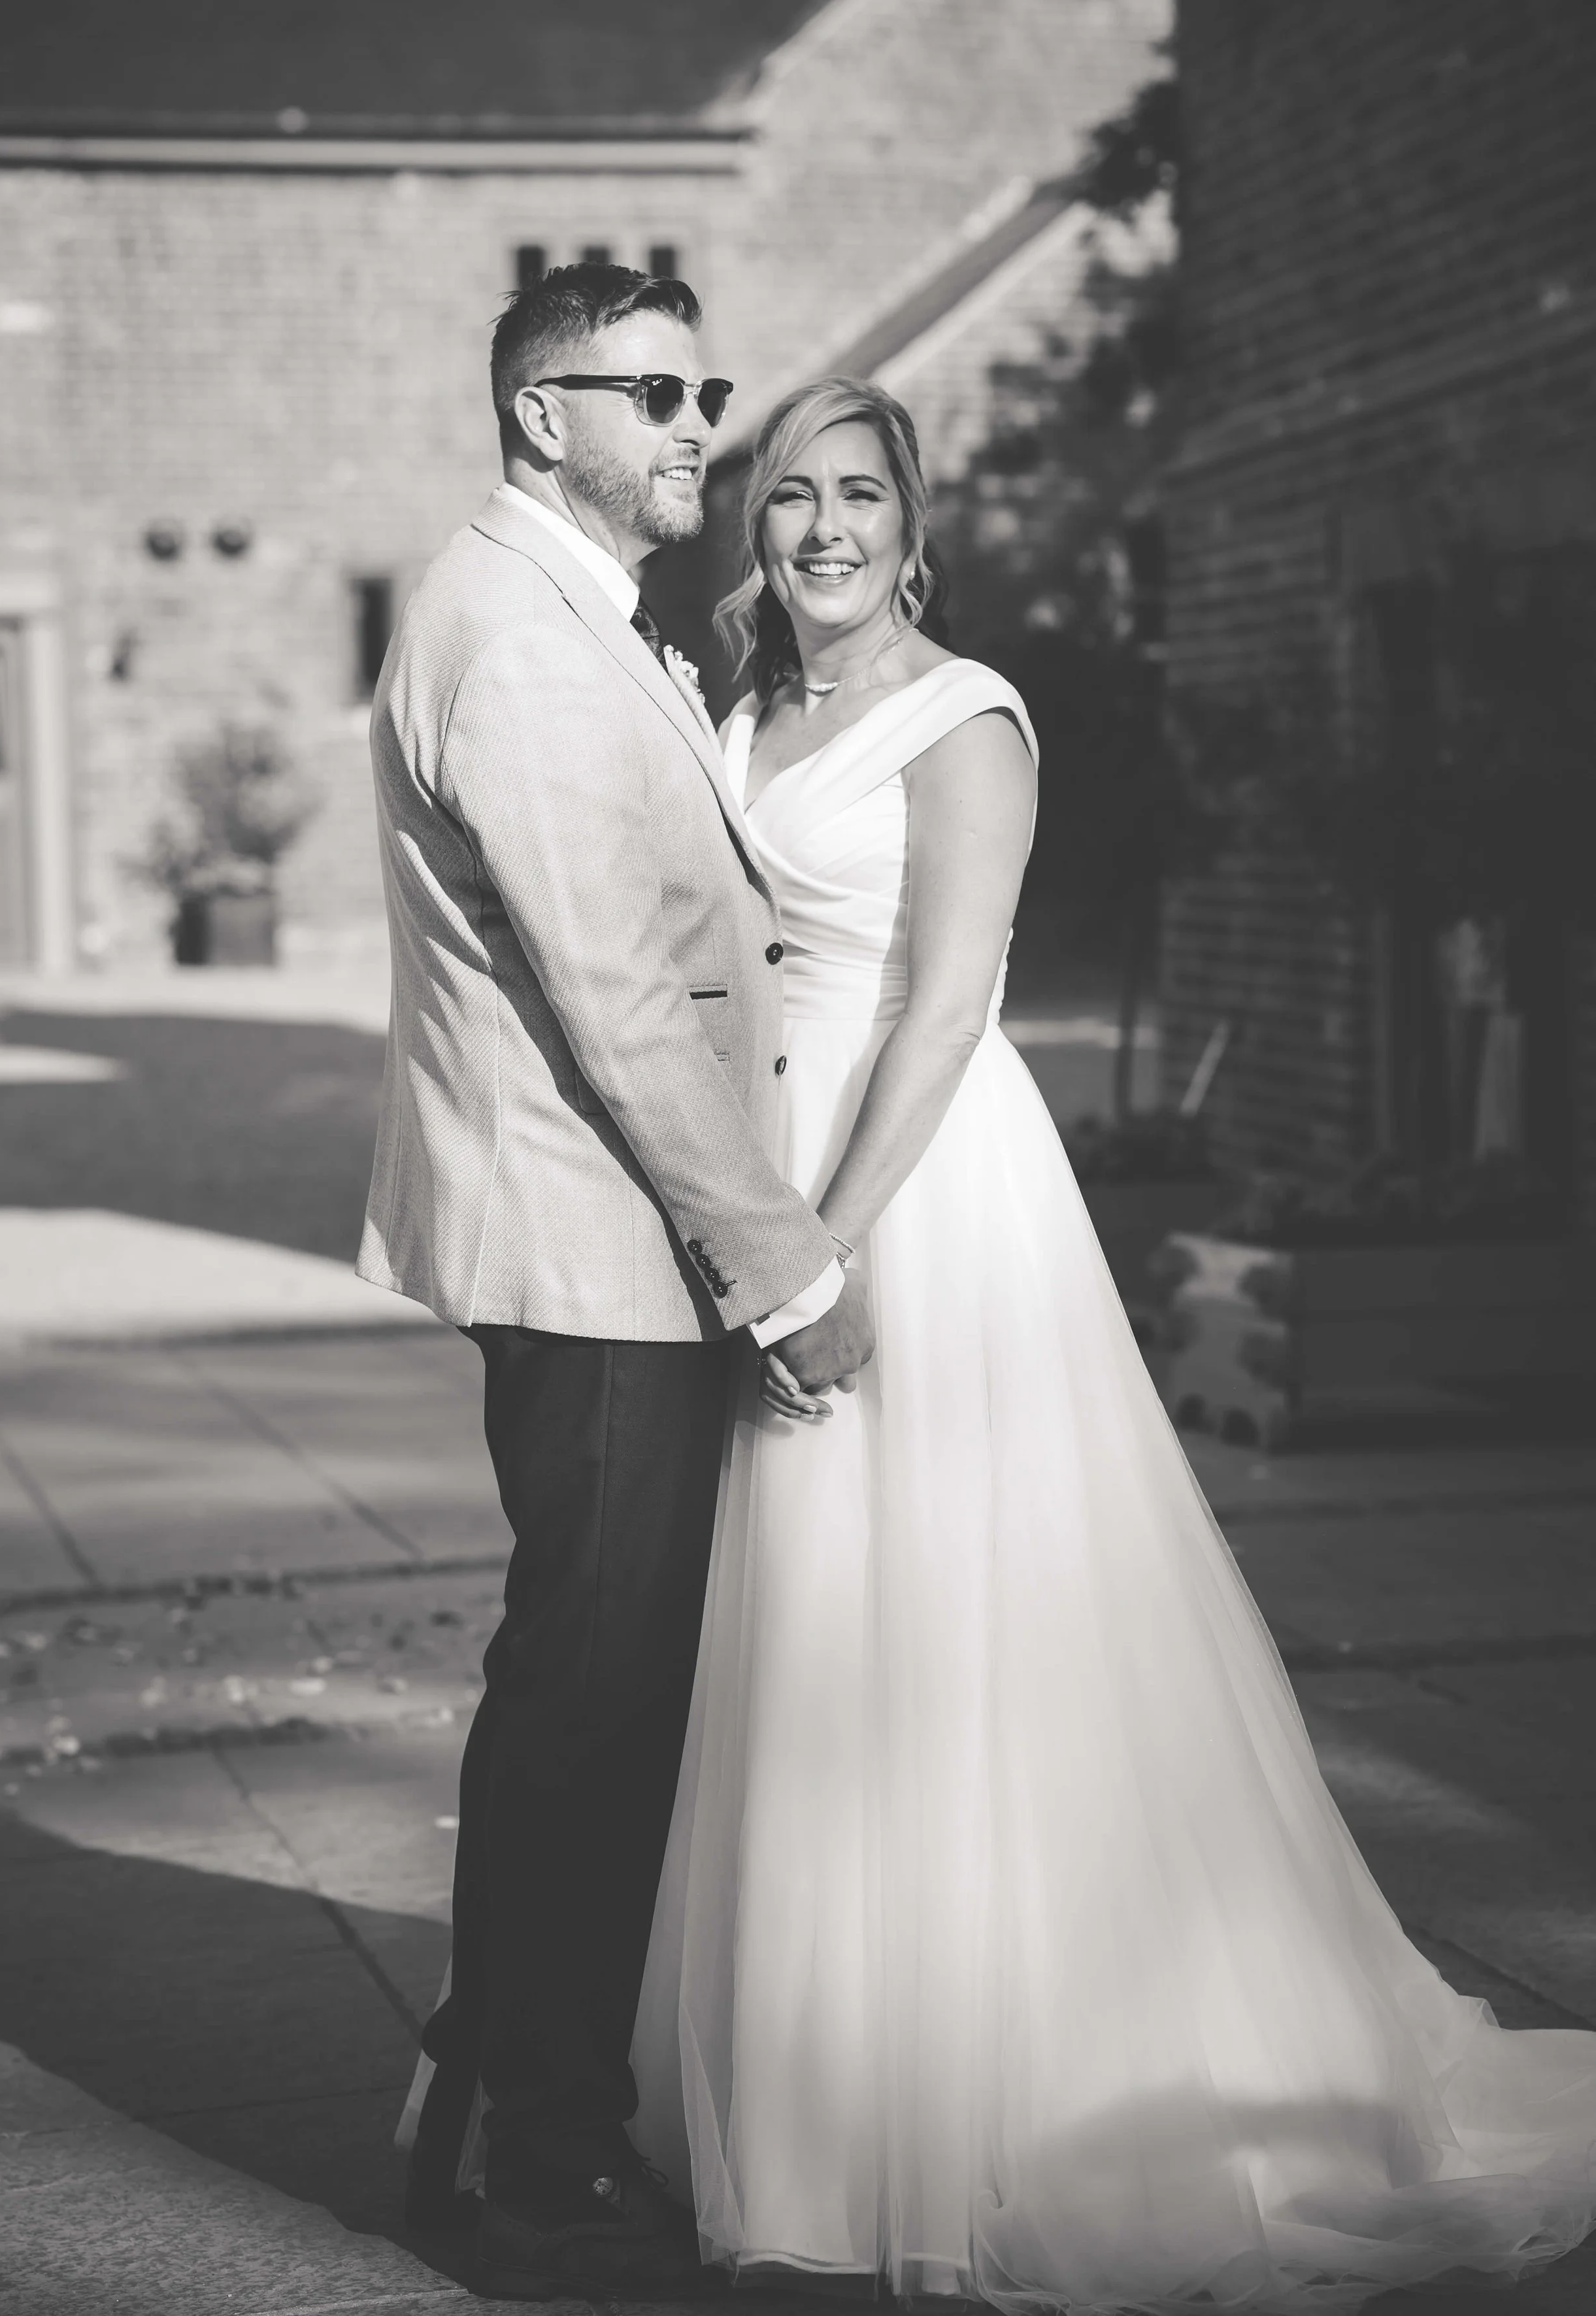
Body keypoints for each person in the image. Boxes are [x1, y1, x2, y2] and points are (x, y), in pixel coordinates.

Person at [625, 376, 1596, 2311]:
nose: (821, 528)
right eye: (791, 496)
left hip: (908, 1183)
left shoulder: (963, 717)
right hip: (759, 1175)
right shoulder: (741, 702)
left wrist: (824, 1238)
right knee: (804, 1633)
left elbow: (941, 1007)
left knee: (955, 1613)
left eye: (859, 497)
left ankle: (1027, 2086)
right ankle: (825, 2080)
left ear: (918, 525)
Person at [360, 267, 873, 2302]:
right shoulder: (519, 638)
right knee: (587, 1695)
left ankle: (495, 2073)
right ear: (532, 412)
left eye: (704, 388)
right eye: (650, 391)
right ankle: (530, 2141)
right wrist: (783, 1261)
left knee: (593, 1685)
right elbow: (619, 1005)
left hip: (598, 1237)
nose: (694, 423)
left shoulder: (577, 613)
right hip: (592, 1249)